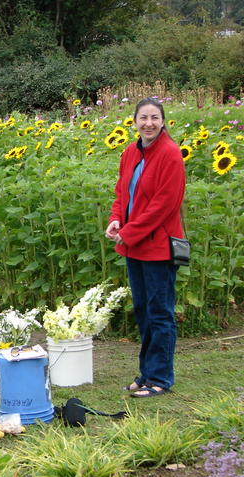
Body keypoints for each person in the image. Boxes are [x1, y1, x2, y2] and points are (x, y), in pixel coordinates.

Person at [105, 98, 186, 398]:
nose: (148, 123)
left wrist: (129, 231)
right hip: (134, 246)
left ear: (163, 121)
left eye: (154, 118)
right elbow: (121, 193)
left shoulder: (170, 154)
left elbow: (164, 206)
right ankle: (147, 373)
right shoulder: (130, 152)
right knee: (143, 311)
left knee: (160, 313)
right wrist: (116, 220)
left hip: (158, 249)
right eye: (143, 118)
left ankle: (161, 378)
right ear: (135, 121)